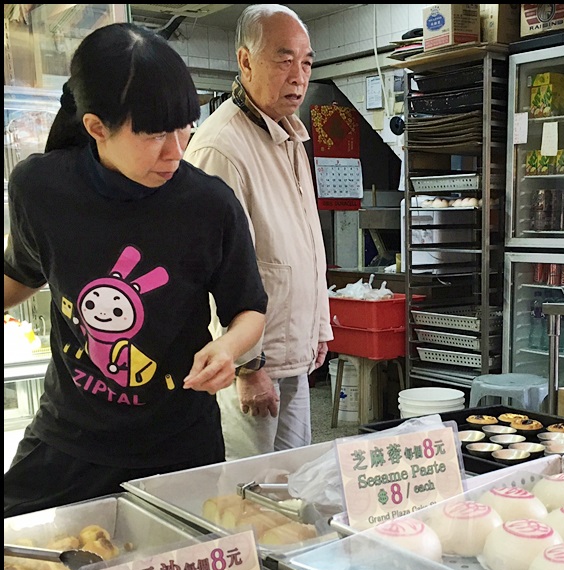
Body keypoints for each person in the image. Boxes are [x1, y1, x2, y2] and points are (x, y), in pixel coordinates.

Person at [3, 23, 267, 517]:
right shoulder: (41, 189)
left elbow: (248, 308)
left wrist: (228, 348)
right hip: (70, 439)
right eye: (153, 133)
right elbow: (23, 271)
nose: (176, 149)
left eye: (184, 126)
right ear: (96, 127)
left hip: (179, 446)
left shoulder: (209, 205)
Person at [184, 4, 332, 459]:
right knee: (251, 490)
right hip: (250, 363)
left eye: (306, 62)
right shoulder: (220, 146)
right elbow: (211, 272)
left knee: (294, 480)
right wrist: (247, 368)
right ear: (245, 61)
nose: (299, 76)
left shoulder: (291, 134)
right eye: (283, 59)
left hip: (292, 352)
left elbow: (306, 243)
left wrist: (320, 327)